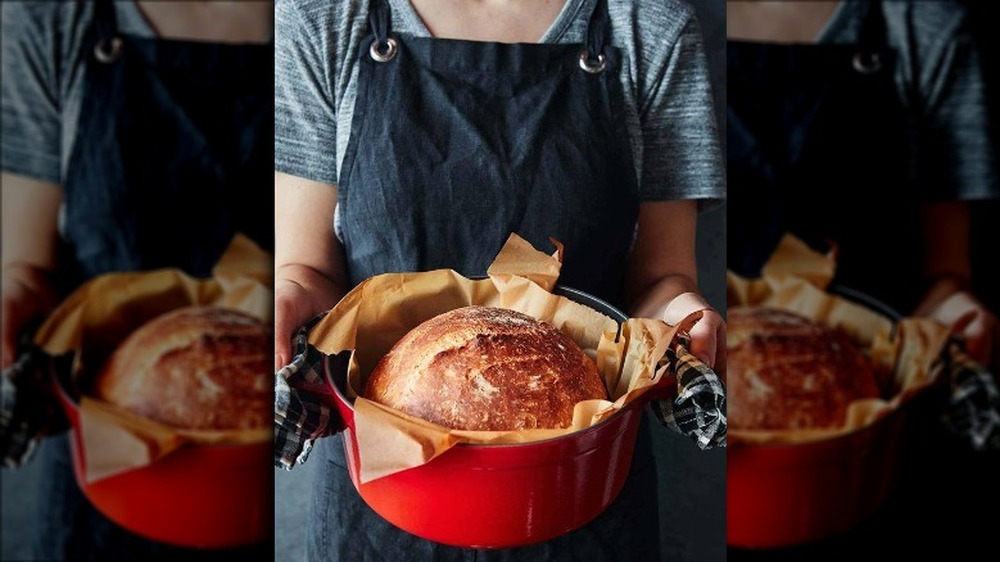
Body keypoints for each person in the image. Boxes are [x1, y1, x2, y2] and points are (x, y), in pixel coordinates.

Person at [273, 0, 726, 560]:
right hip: (381, 500)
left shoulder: (650, 25)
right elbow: (309, 271)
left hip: (582, 489)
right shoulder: (324, 18)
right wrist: (286, 300)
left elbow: (662, 276)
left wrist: (683, 318)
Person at [725, 0, 999, 558]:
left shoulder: (921, 28)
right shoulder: (647, 23)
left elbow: (945, 270)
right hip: (692, 436)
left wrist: (953, 314)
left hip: (865, 450)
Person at [1, 1, 274, 560]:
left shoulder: (324, 18)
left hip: (275, 460)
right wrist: (13, 302)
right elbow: (26, 267)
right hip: (103, 455)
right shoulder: (54, 17)